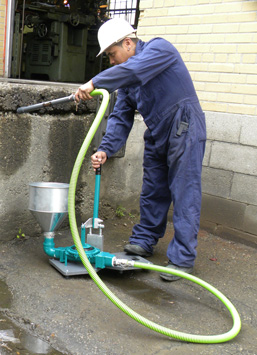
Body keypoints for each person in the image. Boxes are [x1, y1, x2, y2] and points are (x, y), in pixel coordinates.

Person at [75, 18, 206, 281]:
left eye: (112, 54)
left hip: (184, 124)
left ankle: (182, 259)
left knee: (184, 191)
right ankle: (145, 239)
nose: (111, 61)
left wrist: (95, 82)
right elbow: (120, 117)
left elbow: (133, 71)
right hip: (158, 130)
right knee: (153, 189)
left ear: (127, 43)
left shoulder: (160, 50)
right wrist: (106, 149)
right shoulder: (126, 80)